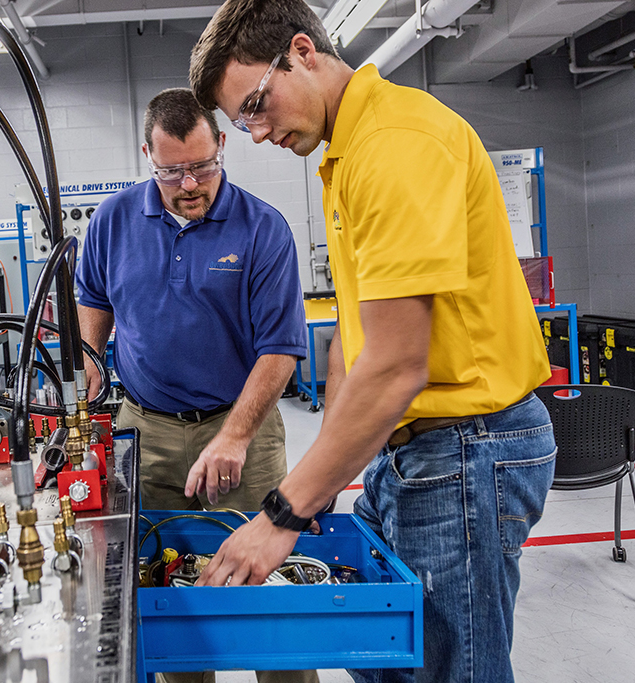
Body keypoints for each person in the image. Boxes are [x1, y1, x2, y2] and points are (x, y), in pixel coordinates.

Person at [187, 2, 556, 682]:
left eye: (259, 105)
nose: (259, 131)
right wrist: (324, 475)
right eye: (244, 121)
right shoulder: (348, 153)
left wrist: (283, 511)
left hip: (466, 448)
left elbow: (394, 366)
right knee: (385, 657)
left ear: (302, 51)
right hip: (416, 452)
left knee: (451, 671)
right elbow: (353, 348)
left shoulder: (396, 145)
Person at [76, 88, 314, 683]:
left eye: (203, 167)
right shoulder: (112, 221)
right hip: (146, 435)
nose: (190, 184)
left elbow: (281, 350)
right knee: (170, 599)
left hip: (245, 434)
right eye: (173, 171)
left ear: (223, 146)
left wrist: (233, 437)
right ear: (147, 158)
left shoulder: (263, 229)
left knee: (268, 603)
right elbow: (93, 305)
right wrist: (89, 376)